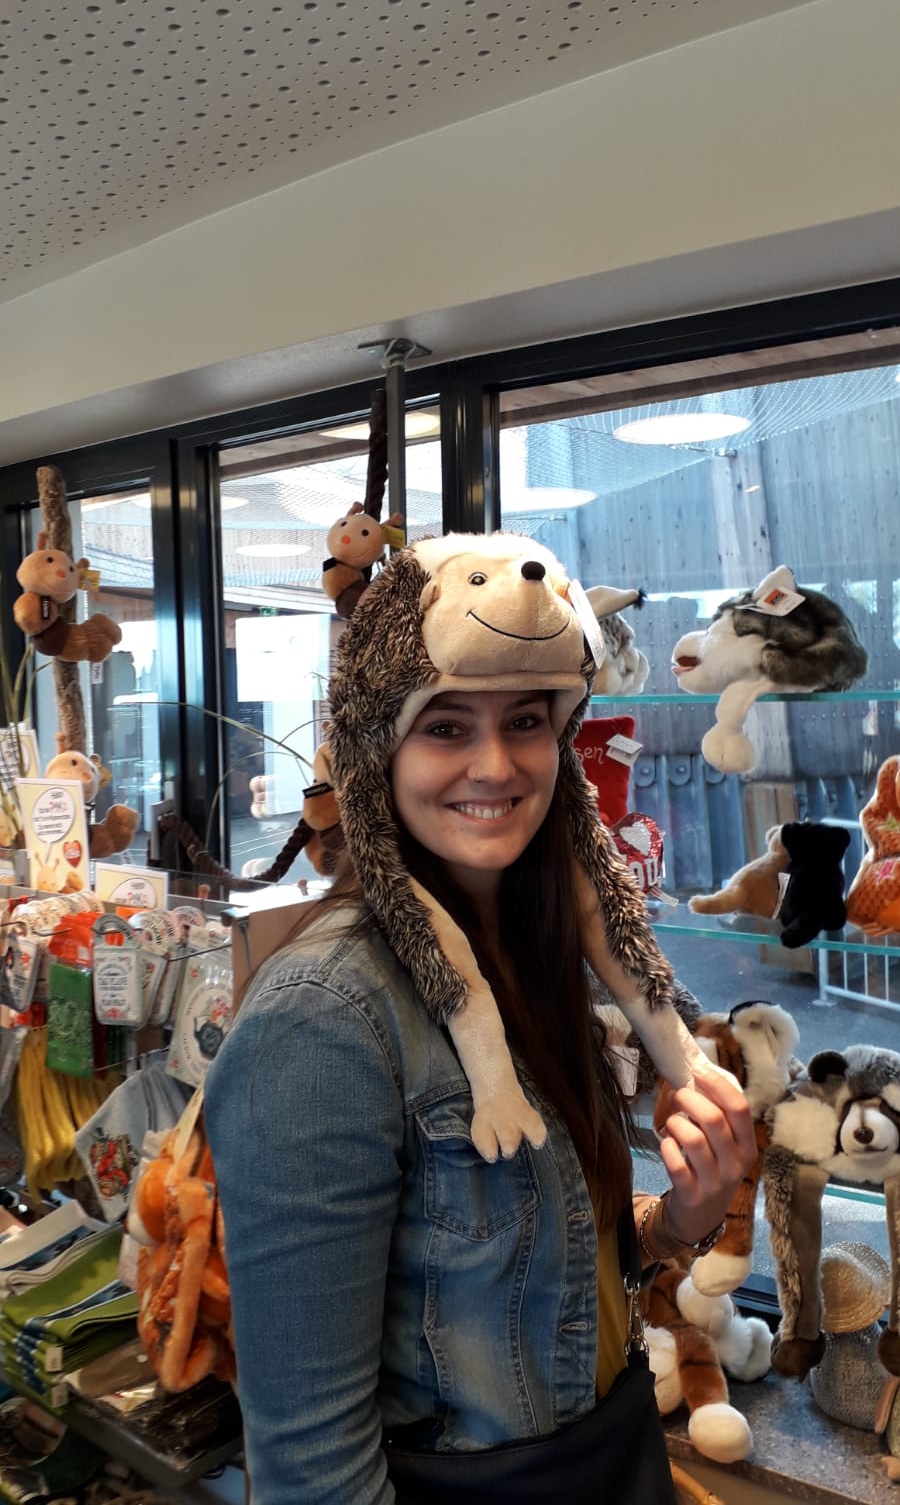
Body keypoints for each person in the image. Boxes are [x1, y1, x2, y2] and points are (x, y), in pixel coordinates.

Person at [206, 532, 757, 1504]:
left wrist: (681, 1218)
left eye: (527, 721)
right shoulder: (321, 1024)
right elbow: (312, 1473)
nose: (496, 765)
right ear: (379, 747)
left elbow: (532, 1266)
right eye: (447, 726)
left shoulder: (538, 962)